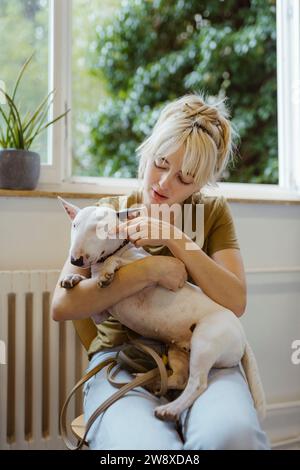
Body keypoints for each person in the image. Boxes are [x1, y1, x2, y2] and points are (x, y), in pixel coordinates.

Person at [51, 93, 270, 450]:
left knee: (233, 437)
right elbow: (62, 306)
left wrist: (175, 239)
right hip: (123, 358)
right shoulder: (108, 213)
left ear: (202, 183)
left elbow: (235, 302)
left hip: (204, 356)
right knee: (146, 450)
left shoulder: (211, 212)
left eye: (185, 178)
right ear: (147, 149)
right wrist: (151, 269)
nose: (165, 183)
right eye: (160, 163)